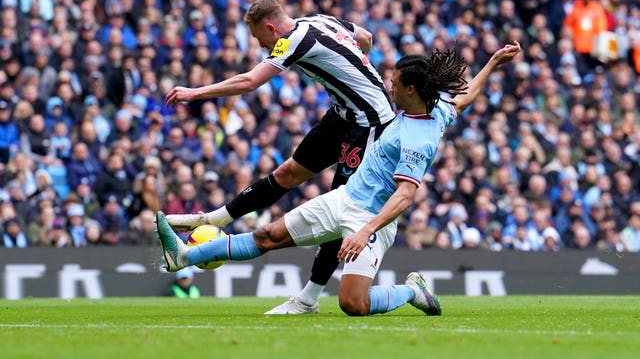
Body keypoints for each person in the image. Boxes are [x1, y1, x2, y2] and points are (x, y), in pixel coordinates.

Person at [157, 41, 522, 317]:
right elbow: (465, 97)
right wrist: (492, 62)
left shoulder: (419, 140)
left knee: (353, 304)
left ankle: (411, 290)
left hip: (372, 220)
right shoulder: (438, 109)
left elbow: (405, 197)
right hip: (345, 199)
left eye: (395, 83)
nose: (390, 88)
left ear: (411, 90)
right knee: (267, 236)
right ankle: (184, 255)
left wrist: (364, 232)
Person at [164, 0, 396, 314]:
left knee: (343, 209)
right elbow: (365, 37)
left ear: (272, 27)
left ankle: (308, 299)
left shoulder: (292, 40)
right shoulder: (320, 20)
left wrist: (195, 93)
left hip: (369, 125)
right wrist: (354, 70)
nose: (262, 47)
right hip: (344, 115)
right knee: (288, 172)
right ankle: (215, 219)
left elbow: (250, 81)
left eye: (261, 40)